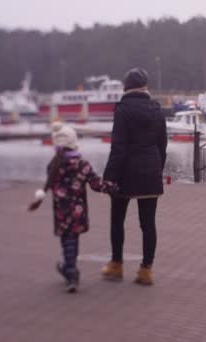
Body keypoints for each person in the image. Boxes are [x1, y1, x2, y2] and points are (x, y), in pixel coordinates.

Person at [29, 122, 118, 293]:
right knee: (73, 239)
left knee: (66, 240)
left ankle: (70, 270)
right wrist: (113, 188)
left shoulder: (54, 165)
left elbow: (48, 185)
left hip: (61, 211)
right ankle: (70, 270)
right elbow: (97, 184)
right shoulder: (81, 164)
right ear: (73, 142)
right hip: (78, 211)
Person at [101, 68, 167, 286]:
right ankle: (146, 270)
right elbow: (162, 145)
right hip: (150, 171)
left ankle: (116, 266)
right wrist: (158, 169)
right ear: (145, 86)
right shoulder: (157, 109)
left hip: (125, 174)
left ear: (126, 87)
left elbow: (118, 148)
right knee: (148, 224)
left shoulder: (123, 109)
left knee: (117, 220)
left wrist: (109, 177)